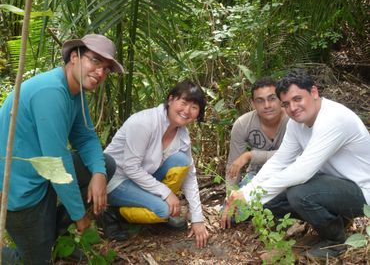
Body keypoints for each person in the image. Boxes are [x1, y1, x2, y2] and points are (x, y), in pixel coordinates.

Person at [0, 34, 124, 264]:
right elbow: (58, 160)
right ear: (74, 57)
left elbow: (85, 137)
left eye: (106, 69)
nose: (100, 73)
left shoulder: (74, 91)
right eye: (95, 61)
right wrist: (79, 216)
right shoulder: (51, 91)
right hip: (19, 188)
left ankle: (52, 236)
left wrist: (98, 173)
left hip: (43, 175)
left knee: (106, 164)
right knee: (34, 261)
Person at [221, 69, 370, 258]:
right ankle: (335, 220)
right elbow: (279, 162)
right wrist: (247, 192)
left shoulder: (333, 118)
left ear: (314, 92)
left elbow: (302, 172)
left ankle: (335, 241)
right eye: (286, 103)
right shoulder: (295, 123)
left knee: (299, 193)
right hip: (332, 185)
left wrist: (248, 196)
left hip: (362, 190)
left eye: (297, 99)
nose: (293, 107)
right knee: (269, 200)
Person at [104, 80, 209, 248]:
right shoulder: (144, 122)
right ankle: (112, 212)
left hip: (140, 178)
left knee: (182, 161)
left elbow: (190, 176)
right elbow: (130, 167)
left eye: (194, 107)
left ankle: (151, 208)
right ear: (170, 99)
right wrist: (166, 193)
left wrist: (197, 219)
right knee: (163, 210)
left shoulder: (182, 135)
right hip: (115, 180)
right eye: (183, 103)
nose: (187, 111)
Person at [225, 77, 288, 191]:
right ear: (253, 104)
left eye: (272, 98)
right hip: (256, 176)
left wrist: (251, 155)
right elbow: (233, 165)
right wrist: (231, 196)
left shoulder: (293, 120)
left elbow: (295, 156)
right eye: (260, 101)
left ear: (281, 99)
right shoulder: (243, 124)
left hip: (289, 175)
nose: (267, 105)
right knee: (235, 207)